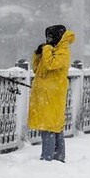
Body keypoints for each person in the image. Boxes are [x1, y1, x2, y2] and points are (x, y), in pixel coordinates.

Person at [28, 24, 75, 162]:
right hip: (45, 95)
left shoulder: (63, 52)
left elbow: (50, 64)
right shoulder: (53, 50)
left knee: (49, 126)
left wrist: (47, 49)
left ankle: (48, 158)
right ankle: (58, 157)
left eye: (50, 37)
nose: (48, 40)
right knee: (53, 125)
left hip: (53, 95)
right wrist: (38, 54)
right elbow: (37, 69)